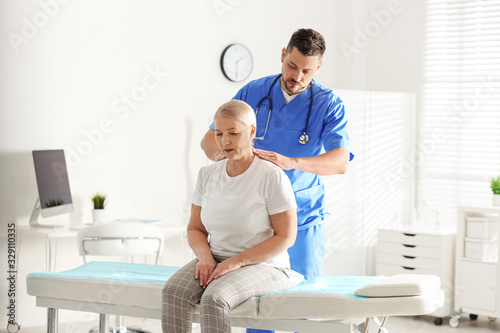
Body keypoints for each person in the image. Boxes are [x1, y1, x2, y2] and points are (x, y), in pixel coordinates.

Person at [201, 28, 353, 282]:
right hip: (255, 222)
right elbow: (209, 140)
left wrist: (291, 162)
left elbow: (341, 162)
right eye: (292, 66)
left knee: (304, 302)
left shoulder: (328, 103)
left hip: (303, 217)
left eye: (307, 71)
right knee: (257, 302)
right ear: (283, 55)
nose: (297, 76)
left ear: (319, 67)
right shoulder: (254, 92)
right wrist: (226, 156)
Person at [162, 100, 301, 333]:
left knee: (214, 298)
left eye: (233, 133)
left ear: (252, 131)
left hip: (266, 265)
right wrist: (205, 257)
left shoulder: (271, 176)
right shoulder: (207, 175)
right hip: (216, 257)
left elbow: (286, 237)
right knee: (173, 291)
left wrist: (236, 261)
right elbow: (195, 228)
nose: (224, 142)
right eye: (218, 134)